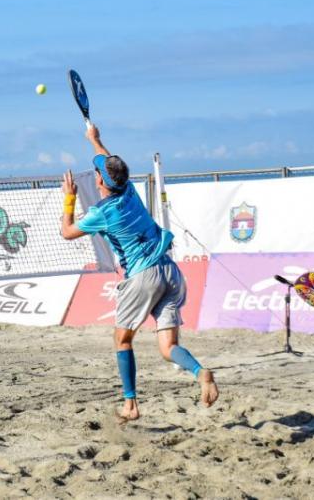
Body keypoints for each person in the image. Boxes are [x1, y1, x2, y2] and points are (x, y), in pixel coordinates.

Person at [60, 123, 218, 420]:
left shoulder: (103, 213)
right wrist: (95, 139)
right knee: (168, 346)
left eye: (97, 174)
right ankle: (199, 371)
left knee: (122, 340)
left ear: (101, 183)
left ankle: (130, 404)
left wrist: (69, 197)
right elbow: (107, 162)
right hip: (170, 272)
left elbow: (67, 231)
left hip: (142, 276)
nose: (95, 174)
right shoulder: (129, 189)